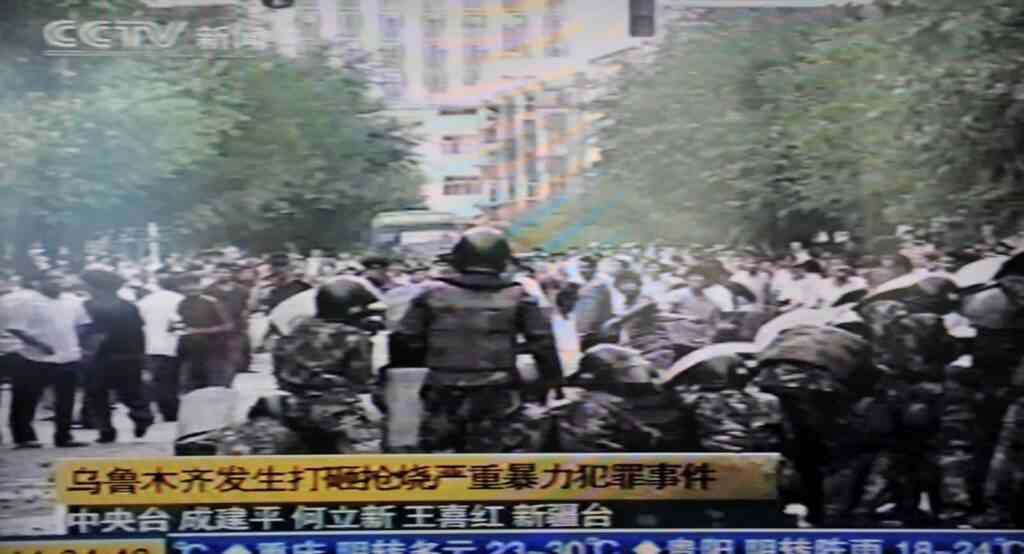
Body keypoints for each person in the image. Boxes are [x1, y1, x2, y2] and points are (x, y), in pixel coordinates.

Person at [390, 226, 562, 453]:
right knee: (493, 455)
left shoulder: (432, 294)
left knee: (440, 457)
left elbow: (403, 340)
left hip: (443, 388)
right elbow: (544, 345)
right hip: (498, 391)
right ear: (502, 261)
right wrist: (553, 384)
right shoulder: (519, 296)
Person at [7, 269, 91, 448]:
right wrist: (39, 344)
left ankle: (64, 436)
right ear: (40, 282)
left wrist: (75, 340)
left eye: (59, 278)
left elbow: (83, 324)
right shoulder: (28, 301)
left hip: (68, 356)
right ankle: (23, 437)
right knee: (26, 398)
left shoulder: (73, 301)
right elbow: (15, 328)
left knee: (66, 399)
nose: (56, 282)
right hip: (35, 358)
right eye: (51, 279)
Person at [79, 269, 154, 443]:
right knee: (131, 392)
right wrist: (141, 356)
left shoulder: (88, 307)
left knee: (97, 394)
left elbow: (86, 333)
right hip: (128, 356)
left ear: (94, 287)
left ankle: (106, 430)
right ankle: (142, 416)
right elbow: (139, 333)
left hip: (99, 357)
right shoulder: (129, 306)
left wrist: (85, 354)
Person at [175, 271, 235, 392]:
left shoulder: (211, 302)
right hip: (191, 353)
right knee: (192, 390)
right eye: (186, 285)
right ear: (180, 287)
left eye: (194, 284)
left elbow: (228, 326)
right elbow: (178, 325)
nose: (190, 287)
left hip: (214, 352)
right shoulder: (181, 304)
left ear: (200, 285)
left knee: (216, 389)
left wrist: (199, 331)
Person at [137, 269, 185, 422]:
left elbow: (139, 324)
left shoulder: (145, 302)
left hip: (151, 345)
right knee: (171, 380)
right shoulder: (181, 300)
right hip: (174, 345)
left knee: (156, 380)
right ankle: (171, 411)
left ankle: (160, 409)